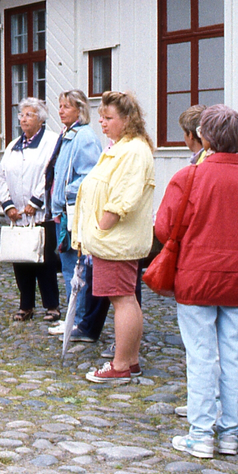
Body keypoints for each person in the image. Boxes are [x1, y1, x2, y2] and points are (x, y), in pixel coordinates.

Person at [155, 105, 238, 458]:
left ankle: (202, 431)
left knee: (201, 354)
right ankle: (230, 432)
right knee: (235, 354)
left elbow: (163, 227)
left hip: (198, 274)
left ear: (204, 137)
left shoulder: (188, 178)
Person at [75, 91, 155, 383]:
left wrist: (102, 226)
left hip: (116, 240)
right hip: (112, 239)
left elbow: (124, 195)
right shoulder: (122, 147)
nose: (103, 123)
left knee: (122, 300)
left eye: (109, 118)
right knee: (125, 298)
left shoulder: (133, 150)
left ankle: (121, 364)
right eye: (101, 117)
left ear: (127, 119)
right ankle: (129, 360)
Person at [46, 89, 103, 339]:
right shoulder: (68, 134)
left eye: (66, 107)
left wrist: (67, 193)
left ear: (80, 110)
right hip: (62, 212)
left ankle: (78, 320)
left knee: (76, 270)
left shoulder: (85, 137)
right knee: (69, 269)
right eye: (59, 106)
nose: (61, 111)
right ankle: (73, 318)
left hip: (74, 213)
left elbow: (89, 175)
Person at [0, 97, 60, 322]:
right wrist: (8, 205)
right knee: (20, 259)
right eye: (21, 114)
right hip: (17, 215)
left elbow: (51, 174)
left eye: (29, 115)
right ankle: (26, 305)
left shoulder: (52, 142)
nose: (23, 119)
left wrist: (35, 202)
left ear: (40, 119)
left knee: (44, 259)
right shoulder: (13, 145)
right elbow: (1, 175)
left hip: (41, 214)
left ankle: (52, 305)